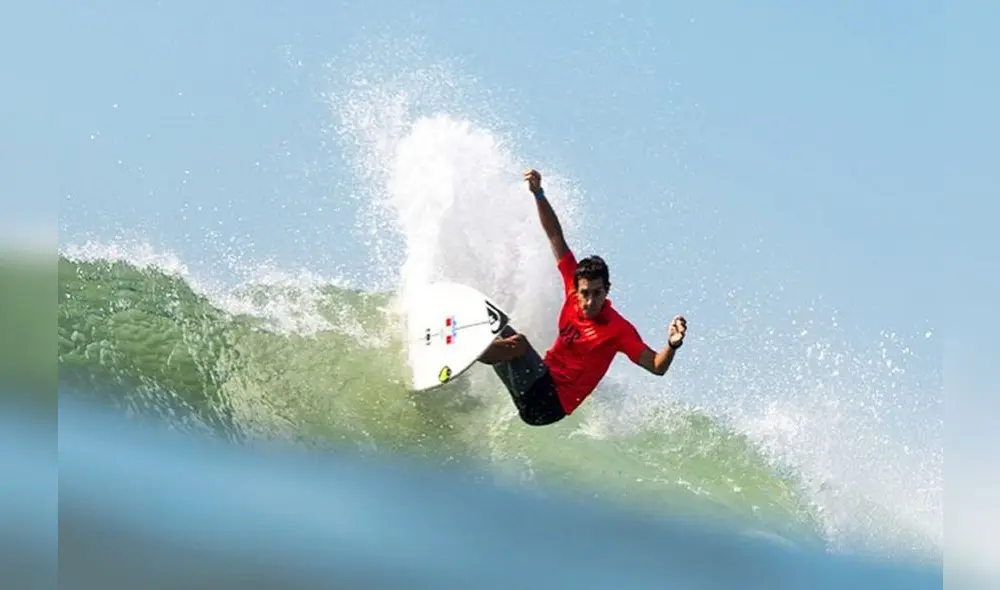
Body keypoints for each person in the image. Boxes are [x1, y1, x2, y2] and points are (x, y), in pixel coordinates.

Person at [478, 168, 688, 426]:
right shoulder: (571, 284)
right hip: (535, 385)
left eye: (597, 293)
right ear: (576, 289)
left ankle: (473, 351)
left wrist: (672, 344)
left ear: (607, 290)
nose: (590, 301)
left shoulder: (617, 330)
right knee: (495, 321)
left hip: (550, 404)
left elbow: (657, 366)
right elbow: (555, 237)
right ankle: (467, 343)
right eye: (585, 293)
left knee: (518, 343)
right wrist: (539, 194)